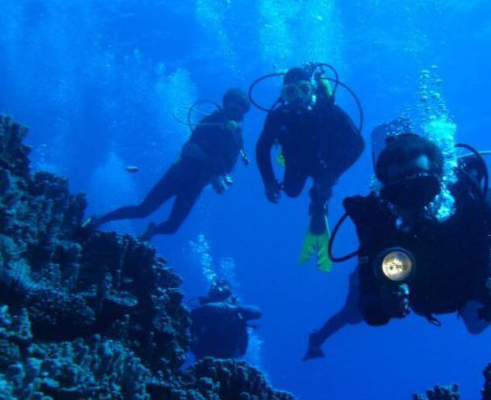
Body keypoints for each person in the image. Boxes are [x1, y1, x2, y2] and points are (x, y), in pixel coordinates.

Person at [315, 129, 491, 347]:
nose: (413, 202)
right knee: (353, 311)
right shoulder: (379, 223)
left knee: (478, 324)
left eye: (422, 188)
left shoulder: (477, 206)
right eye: (398, 193)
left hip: (466, 289)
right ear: (386, 194)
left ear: (442, 179)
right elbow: (373, 314)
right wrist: (385, 298)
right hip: (421, 292)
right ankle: (318, 338)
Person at [85, 88, 251, 240]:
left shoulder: (237, 138)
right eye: (233, 104)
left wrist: (219, 178)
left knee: (172, 227)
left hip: (197, 183)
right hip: (179, 174)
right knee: (143, 210)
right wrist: (211, 167)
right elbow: (189, 148)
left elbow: (228, 166)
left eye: (240, 107)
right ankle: (98, 220)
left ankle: (152, 231)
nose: (235, 109)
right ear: (226, 103)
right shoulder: (211, 120)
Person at [255, 65, 365, 271]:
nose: (297, 96)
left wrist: (333, 174)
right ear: (284, 95)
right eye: (290, 91)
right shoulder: (278, 116)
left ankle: (319, 202)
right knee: (292, 192)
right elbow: (261, 148)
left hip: (326, 164)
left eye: (304, 89)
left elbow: (358, 144)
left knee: (321, 188)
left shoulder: (328, 109)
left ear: (312, 89)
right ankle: (318, 194)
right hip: (296, 162)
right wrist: (268, 181)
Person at [190, 279, 262, 359]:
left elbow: (258, 312)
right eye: (217, 295)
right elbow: (192, 316)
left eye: (225, 295)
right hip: (205, 356)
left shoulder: (238, 312)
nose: (221, 299)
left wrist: (231, 308)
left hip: (231, 355)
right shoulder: (203, 311)